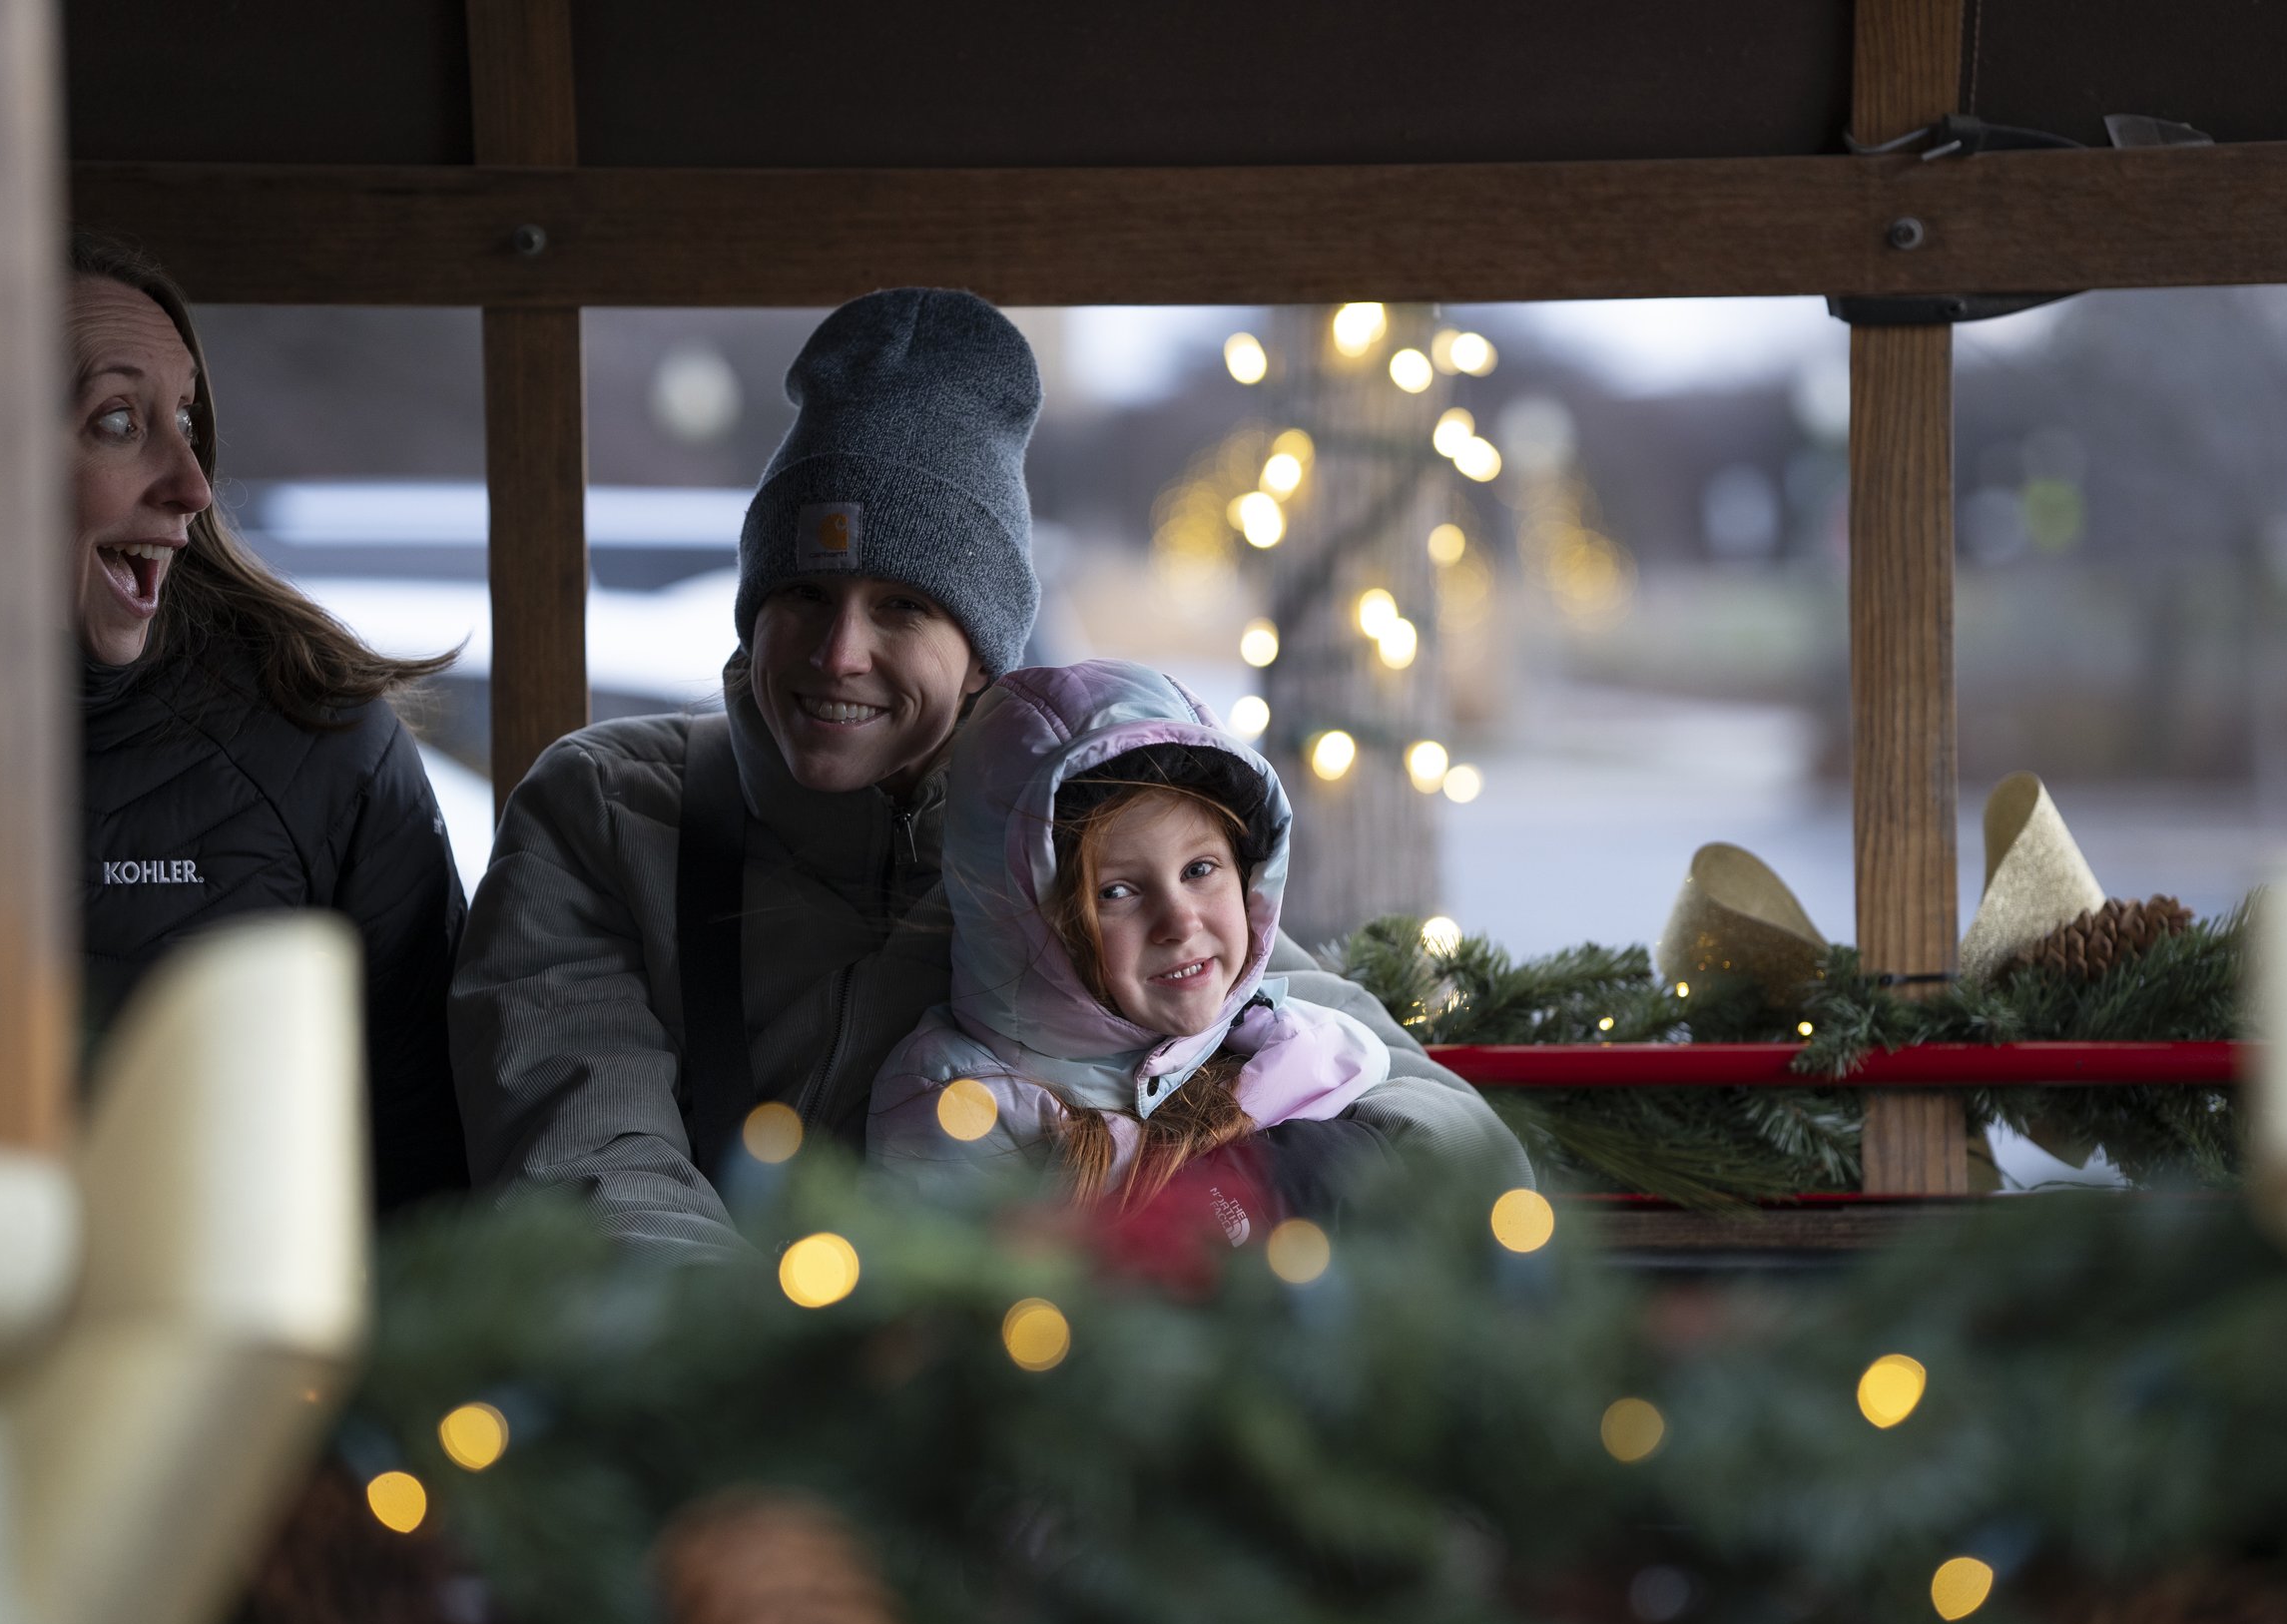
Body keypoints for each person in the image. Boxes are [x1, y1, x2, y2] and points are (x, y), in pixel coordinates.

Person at [451, 287, 1527, 1260]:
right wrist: (793, 1386)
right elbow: (586, 1164)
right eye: (803, 596)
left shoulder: (1072, 824)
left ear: (981, 655)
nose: (837, 652)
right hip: (725, 1412)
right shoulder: (607, 810)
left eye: (903, 608)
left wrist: (1237, 1192)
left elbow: (1433, 1123)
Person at [69, 231, 468, 1214]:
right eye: (120, 420)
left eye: (187, 420)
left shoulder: (317, 738)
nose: (192, 484)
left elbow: (430, 1187)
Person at [870, 661, 1412, 1241]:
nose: (1180, 922)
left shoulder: (1290, 1043)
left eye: (1200, 869)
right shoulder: (964, 1110)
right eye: (1117, 892)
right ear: (1024, 921)